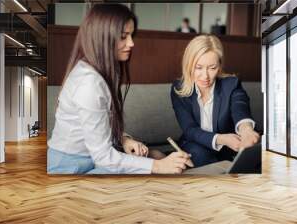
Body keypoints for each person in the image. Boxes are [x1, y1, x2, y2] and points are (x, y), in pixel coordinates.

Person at [47, 4, 192, 174]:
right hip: (70, 167)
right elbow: (104, 157)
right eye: (123, 36)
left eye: (131, 35)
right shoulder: (89, 84)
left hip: (92, 160)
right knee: (155, 164)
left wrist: (124, 139)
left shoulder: (100, 71)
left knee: (156, 155)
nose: (131, 43)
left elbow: (98, 126)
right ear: (102, 37)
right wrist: (159, 166)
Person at [171, 35, 260, 168]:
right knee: (200, 154)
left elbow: (240, 107)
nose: (205, 76)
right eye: (198, 67)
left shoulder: (231, 84)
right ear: (188, 65)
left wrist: (246, 129)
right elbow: (190, 129)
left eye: (212, 68)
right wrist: (221, 139)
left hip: (228, 149)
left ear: (219, 66)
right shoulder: (178, 89)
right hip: (195, 144)